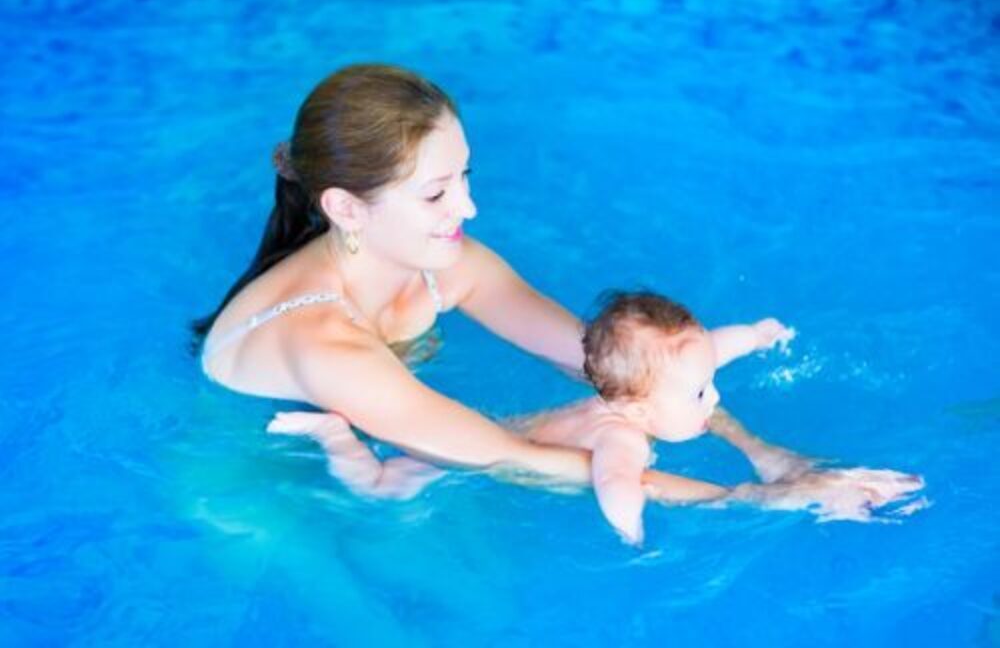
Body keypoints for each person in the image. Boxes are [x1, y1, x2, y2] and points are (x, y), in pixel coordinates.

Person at [193, 63, 918, 526]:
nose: (468, 208)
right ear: (346, 209)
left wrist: (766, 452)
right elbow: (506, 456)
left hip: (383, 435)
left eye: (465, 177)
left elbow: (620, 366)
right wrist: (750, 500)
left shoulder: (444, 262)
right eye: (437, 193)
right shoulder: (326, 344)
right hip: (248, 481)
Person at [268, 292, 925, 544]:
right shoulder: (622, 436)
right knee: (384, 487)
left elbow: (709, 352)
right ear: (638, 408)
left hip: (517, 425)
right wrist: (629, 527)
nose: (712, 400)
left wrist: (754, 335)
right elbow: (616, 484)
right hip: (456, 454)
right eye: (698, 395)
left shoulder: (649, 390)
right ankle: (335, 433)